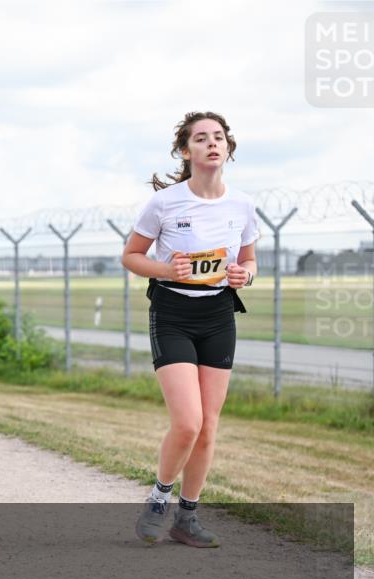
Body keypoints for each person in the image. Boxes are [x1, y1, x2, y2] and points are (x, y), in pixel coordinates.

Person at [123, 111, 259, 548]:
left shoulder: (242, 204)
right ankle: (159, 497)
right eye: (201, 139)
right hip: (173, 313)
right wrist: (167, 269)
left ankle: (187, 518)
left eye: (218, 137)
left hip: (218, 314)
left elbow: (250, 260)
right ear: (186, 150)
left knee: (209, 426)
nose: (212, 144)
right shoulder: (166, 203)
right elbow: (130, 256)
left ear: (228, 148)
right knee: (188, 422)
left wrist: (245, 276)